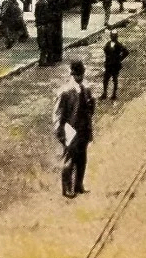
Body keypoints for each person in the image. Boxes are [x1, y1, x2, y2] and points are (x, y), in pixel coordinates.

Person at [52, 60, 96, 198]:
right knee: (69, 160)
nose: (79, 77)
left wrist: (91, 105)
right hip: (70, 130)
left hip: (83, 129)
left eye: (81, 74)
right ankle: (67, 188)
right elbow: (58, 115)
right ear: (72, 74)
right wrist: (60, 134)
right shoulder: (64, 92)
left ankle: (79, 185)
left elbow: (90, 111)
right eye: (77, 74)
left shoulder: (86, 89)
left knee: (82, 159)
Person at [102, 30, 129, 100]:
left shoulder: (119, 45)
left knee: (115, 80)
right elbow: (105, 51)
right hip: (108, 65)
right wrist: (107, 59)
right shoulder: (108, 44)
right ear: (110, 36)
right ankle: (104, 93)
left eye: (114, 36)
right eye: (112, 36)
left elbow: (126, 52)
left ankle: (114, 94)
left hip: (115, 65)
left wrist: (120, 59)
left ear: (117, 37)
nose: (113, 37)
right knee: (105, 79)